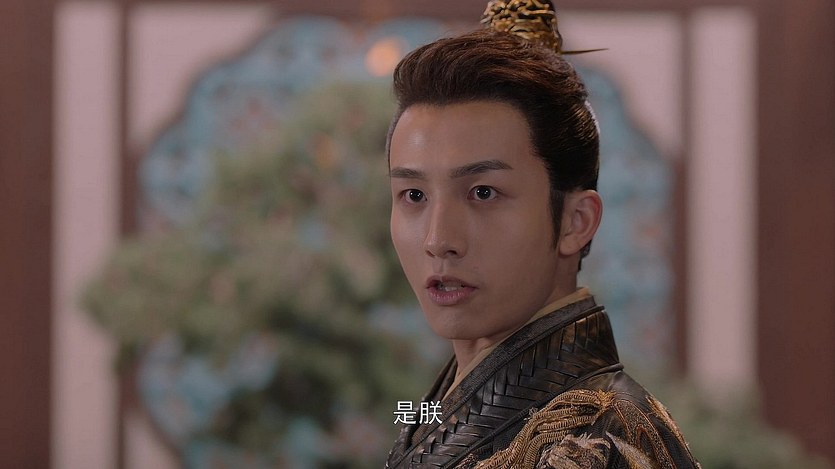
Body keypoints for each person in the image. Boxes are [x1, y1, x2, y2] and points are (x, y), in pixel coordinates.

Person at [384, 1, 700, 468]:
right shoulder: (442, 410)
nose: (437, 239)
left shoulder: (599, 439)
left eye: (483, 192)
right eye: (414, 195)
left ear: (576, 221)